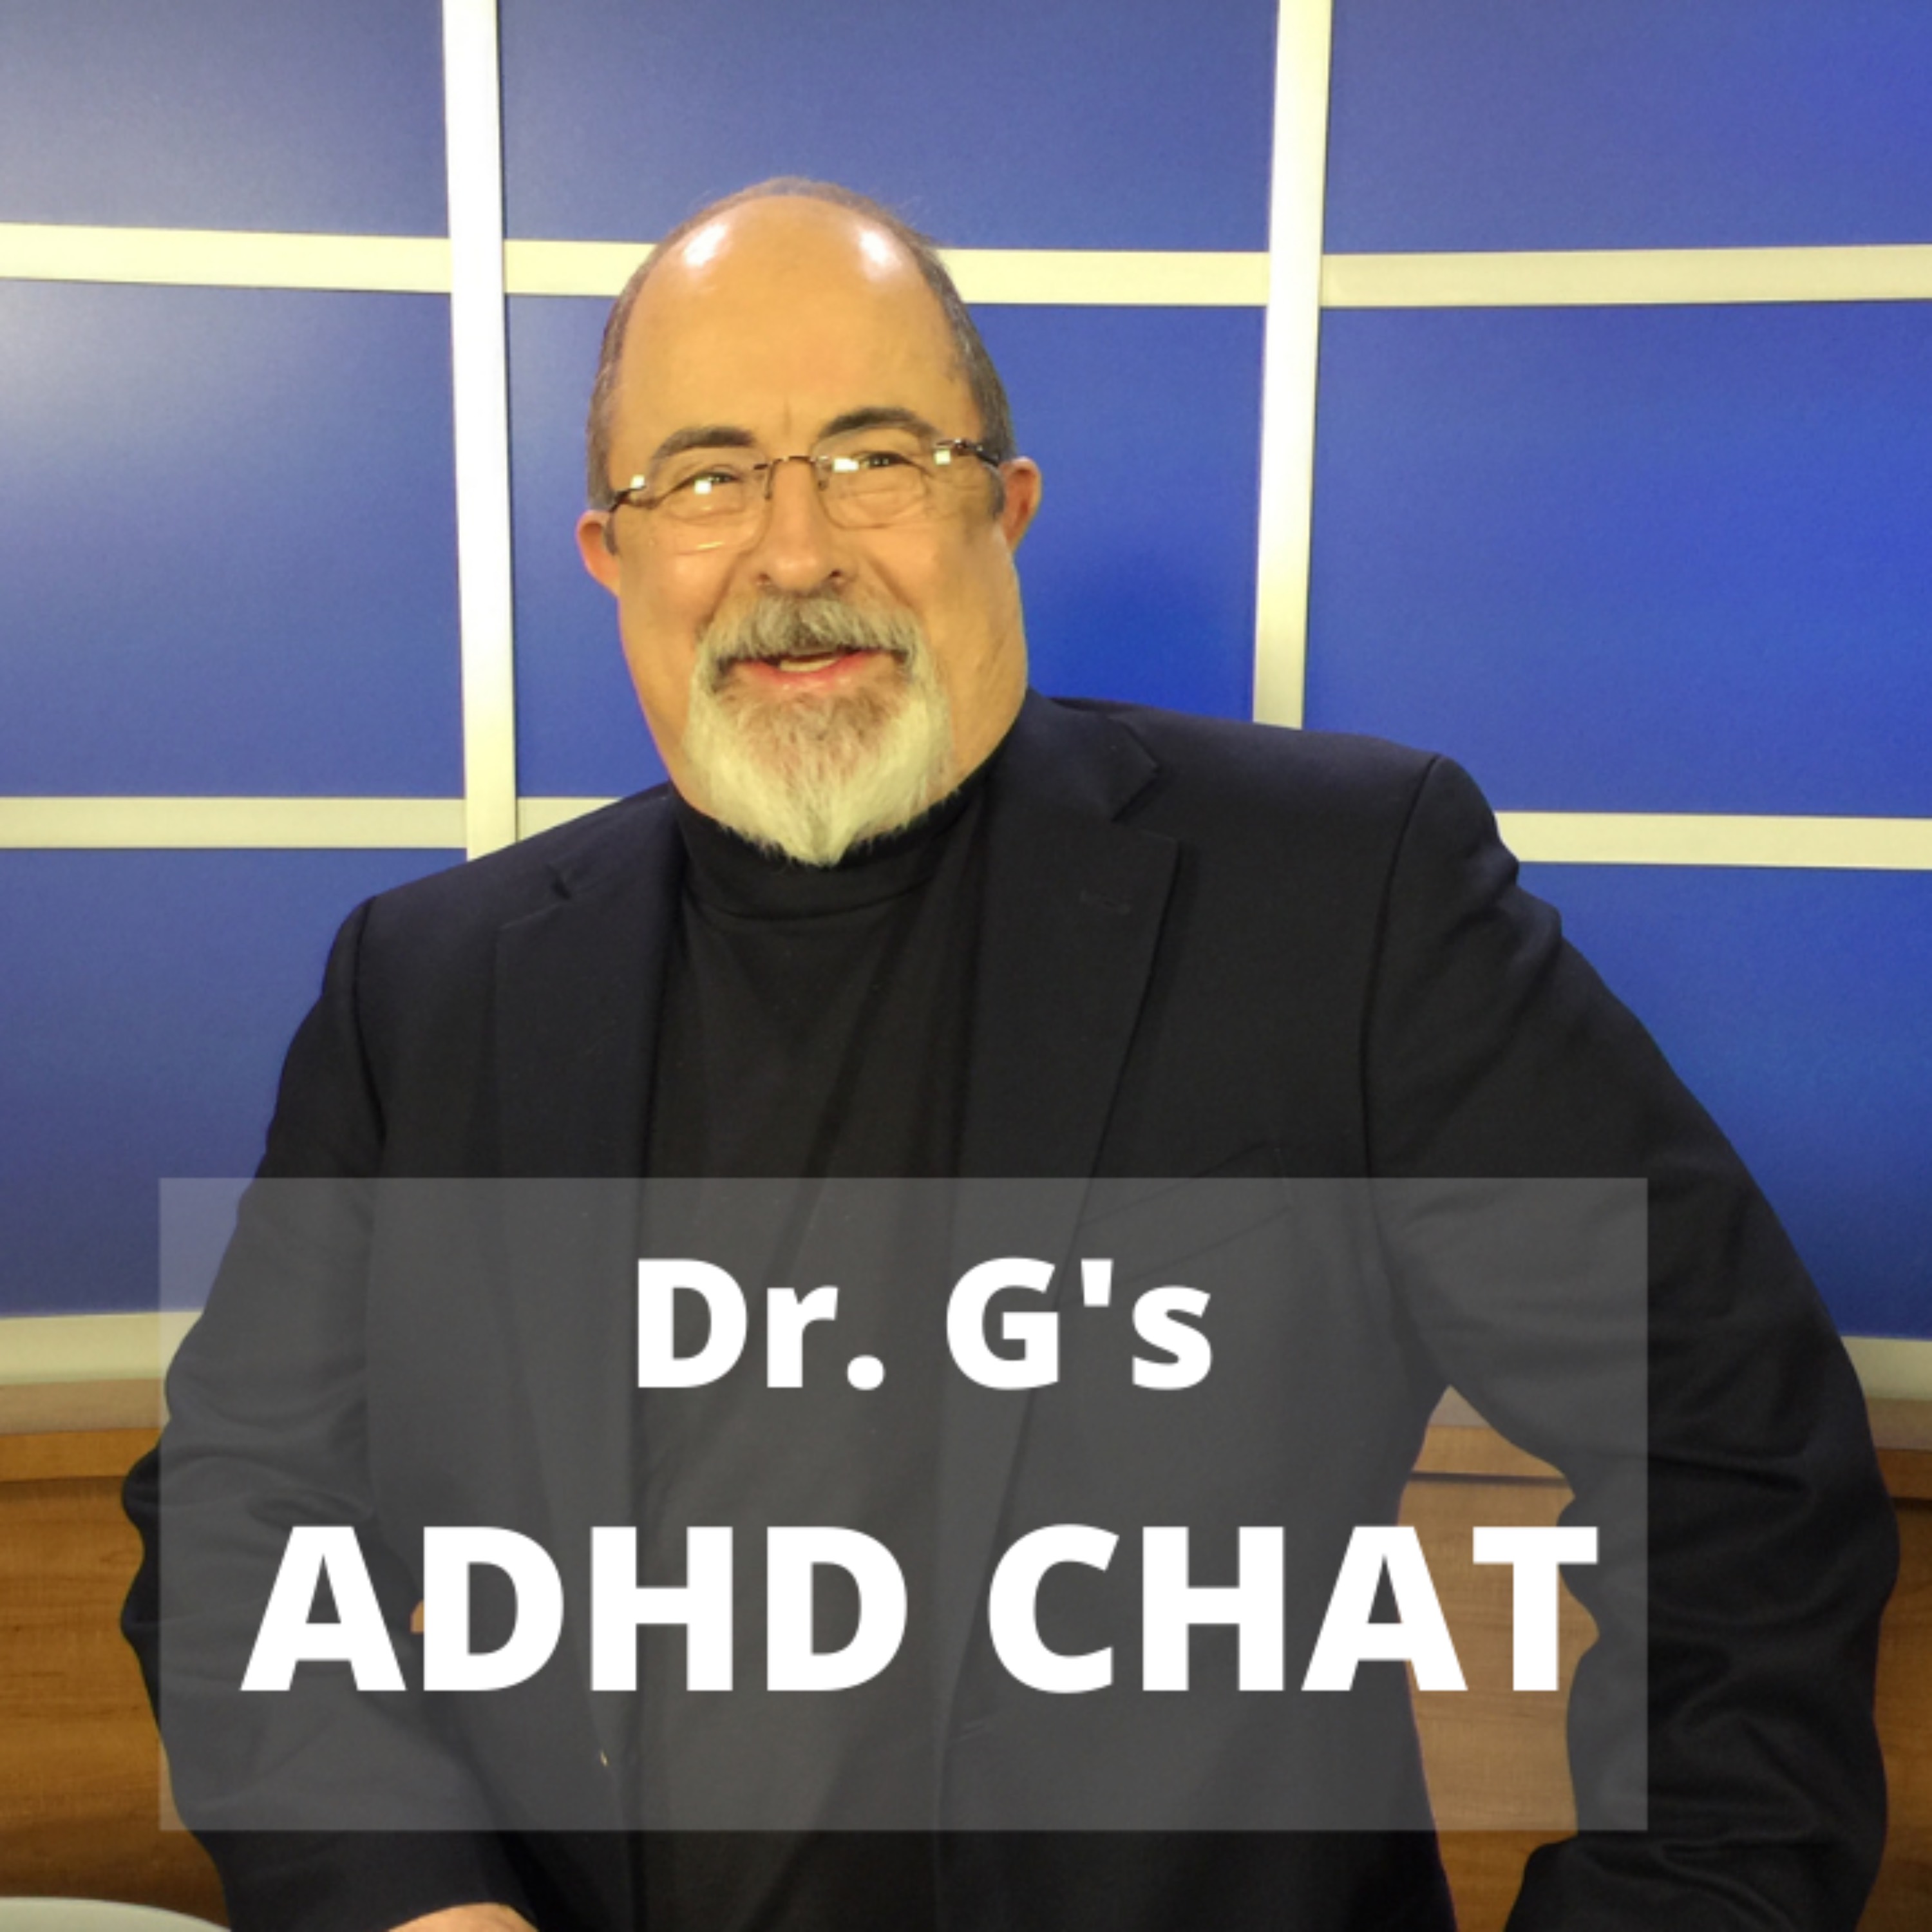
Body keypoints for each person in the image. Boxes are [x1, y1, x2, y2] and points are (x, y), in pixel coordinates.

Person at [125, 178, 1897, 1932]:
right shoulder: (427, 991)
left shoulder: (1347, 899)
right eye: (707, 477)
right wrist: (416, 1912)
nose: (795, 551)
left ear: (1006, 506)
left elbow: (1731, 1452)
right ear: (613, 552)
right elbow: (240, 1516)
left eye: (876, 457)